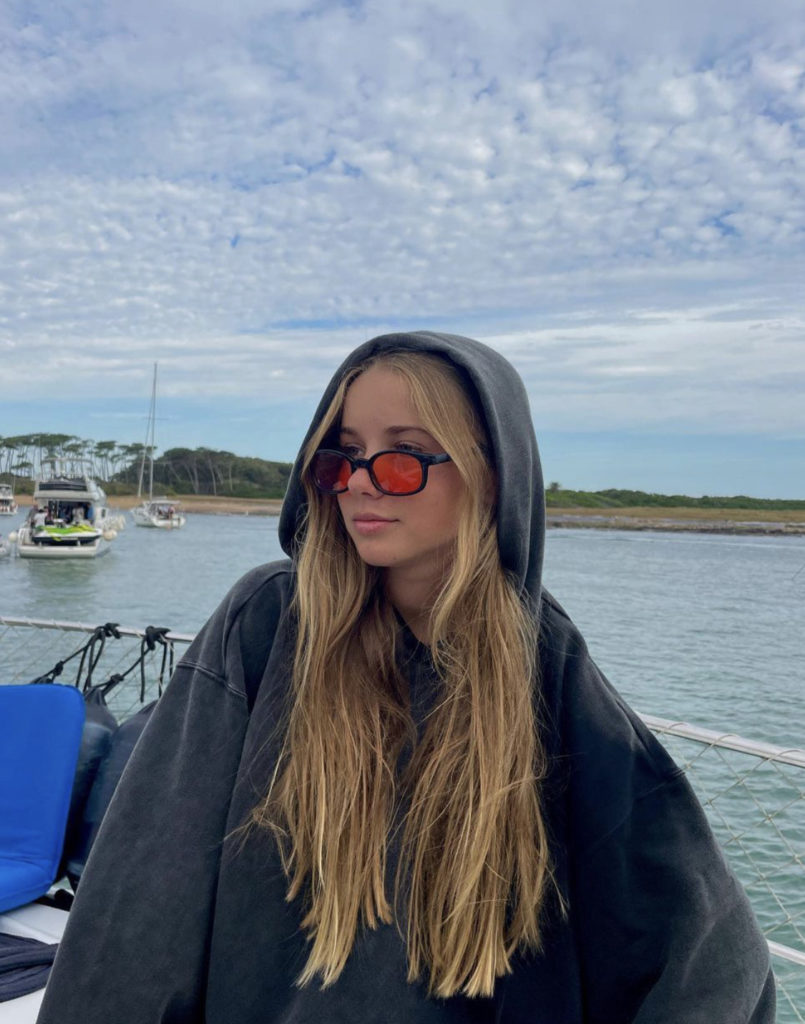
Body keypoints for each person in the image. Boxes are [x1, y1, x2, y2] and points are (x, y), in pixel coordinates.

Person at [37, 331, 774, 1023]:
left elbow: (708, 951)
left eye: (405, 455)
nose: (361, 484)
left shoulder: (545, 668)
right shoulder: (267, 624)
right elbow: (143, 900)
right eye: (343, 456)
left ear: (491, 473)